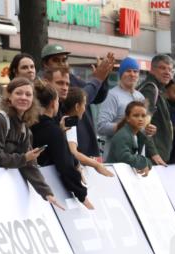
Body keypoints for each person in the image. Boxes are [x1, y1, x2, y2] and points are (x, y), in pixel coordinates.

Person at [0, 77, 60, 207]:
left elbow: (29, 165)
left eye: (28, 94)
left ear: (33, 100)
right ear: (9, 96)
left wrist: (47, 193)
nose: (24, 97)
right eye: (18, 93)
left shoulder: (25, 128)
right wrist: (23, 158)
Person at [41, 43, 113, 158]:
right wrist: (97, 79)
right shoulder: (44, 84)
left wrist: (103, 80)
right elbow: (79, 99)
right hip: (68, 152)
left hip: (87, 149)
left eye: (64, 59)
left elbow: (97, 97)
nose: (61, 63)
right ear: (45, 64)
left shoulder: (73, 79)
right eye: (56, 60)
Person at [31, 79, 93, 209]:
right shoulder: (53, 131)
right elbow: (65, 165)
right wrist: (82, 194)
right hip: (48, 191)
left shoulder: (32, 125)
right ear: (54, 103)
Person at [44, 66, 114, 178]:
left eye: (67, 84)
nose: (64, 87)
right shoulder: (41, 111)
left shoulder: (68, 118)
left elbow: (70, 152)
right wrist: (96, 165)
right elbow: (73, 152)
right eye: (60, 83)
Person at [137, 53, 174, 161]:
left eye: (170, 70)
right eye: (163, 68)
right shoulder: (150, 89)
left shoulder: (158, 90)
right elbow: (143, 124)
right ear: (152, 70)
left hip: (158, 156)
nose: (167, 73)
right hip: (152, 159)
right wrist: (154, 153)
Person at [96, 57, 145, 138]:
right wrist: (126, 126)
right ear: (121, 74)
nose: (132, 74)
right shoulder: (112, 95)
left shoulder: (140, 96)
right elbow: (101, 127)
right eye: (128, 71)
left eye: (135, 71)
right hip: (116, 149)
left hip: (135, 149)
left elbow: (141, 127)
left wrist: (147, 129)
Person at [105, 101, 159, 173]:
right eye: (136, 115)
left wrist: (146, 163)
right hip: (114, 175)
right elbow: (125, 157)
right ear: (127, 118)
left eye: (143, 116)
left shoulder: (139, 135)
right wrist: (145, 161)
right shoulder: (123, 135)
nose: (140, 119)